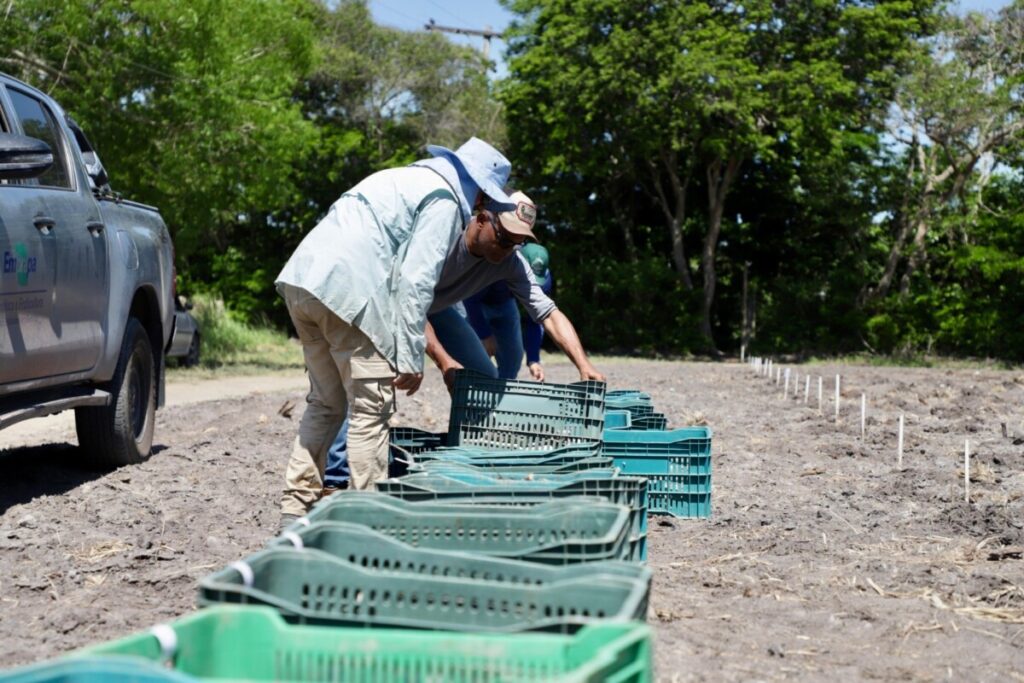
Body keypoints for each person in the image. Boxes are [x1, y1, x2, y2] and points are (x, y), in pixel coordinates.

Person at [275, 137, 514, 526]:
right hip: (350, 289)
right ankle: (366, 521)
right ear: (481, 192)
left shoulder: (399, 178)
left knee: (326, 404)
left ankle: (295, 511)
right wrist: (409, 354)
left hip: (303, 280)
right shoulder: (443, 199)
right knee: (371, 409)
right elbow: (416, 280)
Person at [322, 193, 602, 491]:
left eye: (517, 243)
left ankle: (473, 456)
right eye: (505, 238)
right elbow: (407, 302)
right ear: (482, 218)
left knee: (484, 377)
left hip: (436, 307)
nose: (509, 249)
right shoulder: (442, 237)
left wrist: (583, 364)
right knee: (367, 384)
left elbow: (548, 312)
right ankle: (334, 479)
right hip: (386, 299)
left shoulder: (511, 262)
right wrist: (444, 361)